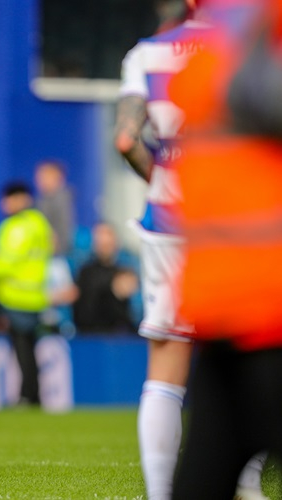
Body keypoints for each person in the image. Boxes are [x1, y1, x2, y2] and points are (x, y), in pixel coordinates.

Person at [114, 1, 267, 497]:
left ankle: (162, 493)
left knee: (166, 364)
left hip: (169, 219)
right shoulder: (251, 43)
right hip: (246, 220)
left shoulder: (147, 54)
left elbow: (125, 140)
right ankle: (248, 486)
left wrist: (161, 178)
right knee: (249, 353)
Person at [163, 1, 277, 497]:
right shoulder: (250, 35)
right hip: (255, 301)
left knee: (204, 474)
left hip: (232, 299)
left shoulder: (216, 45)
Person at [0, 182, 53, 406]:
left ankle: (28, 396)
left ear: (22, 199)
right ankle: (32, 395)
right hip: (34, 296)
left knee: (23, 351)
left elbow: (8, 259)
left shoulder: (18, 226)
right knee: (29, 350)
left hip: (16, 297)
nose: (4, 204)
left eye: (8, 198)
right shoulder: (39, 222)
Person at [72, 223, 138, 334]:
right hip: (89, 335)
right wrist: (113, 288)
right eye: (101, 242)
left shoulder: (124, 272)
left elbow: (128, 315)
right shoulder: (86, 272)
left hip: (118, 336)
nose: (104, 245)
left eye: (108, 243)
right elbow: (85, 310)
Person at [34, 161, 75, 255]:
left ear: (58, 178)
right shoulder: (41, 200)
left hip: (55, 256)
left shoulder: (61, 200)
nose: (40, 181)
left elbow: (63, 232)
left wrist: (57, 248)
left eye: (45, 176)